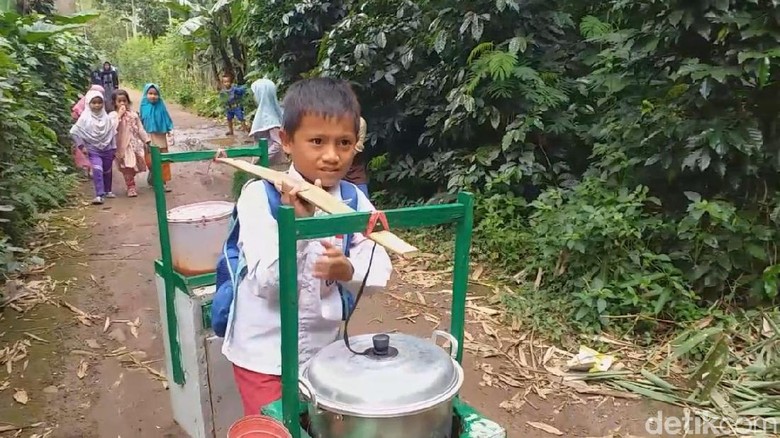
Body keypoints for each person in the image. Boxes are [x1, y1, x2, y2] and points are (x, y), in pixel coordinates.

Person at [221, 77, 393, 415]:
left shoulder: (353, 200)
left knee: (317, 424)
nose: (332, 156)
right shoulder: (260, 195)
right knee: (271, 428)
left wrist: (350, 269)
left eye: (344, 143)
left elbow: (380, 265)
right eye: (317, 141)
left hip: (324, 353)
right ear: (286, 141)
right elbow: (269, 285)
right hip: (263, 354)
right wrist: (297, 229)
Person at [70, 90, 120, 205]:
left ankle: (108, 190)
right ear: (88, 104)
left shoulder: (106, 118)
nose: (97, 105)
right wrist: (81, 146)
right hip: (93, 149)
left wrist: (114, 148)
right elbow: (74, 132)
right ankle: (99, 195)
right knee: (97, 169)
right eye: (94, 103)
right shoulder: (84, 119)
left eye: (99, 103)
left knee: (107, 170)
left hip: (107, 149)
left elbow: (111, 133)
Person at [112, 89, 151, 198]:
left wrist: (146, 140)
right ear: (114, 103)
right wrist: (119, 116)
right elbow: (111, 128)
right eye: (119, 101)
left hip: (134, 145)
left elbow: (140, 129)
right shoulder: (112, 116)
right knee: (127, 167)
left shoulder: (134, 115)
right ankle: (131, 186)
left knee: (135, 165)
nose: (122, 103)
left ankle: (131, 181)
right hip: (122, 146)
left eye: (124, 101)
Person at [139, 83, 174, 192]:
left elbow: (166, 118)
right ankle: (152, 178)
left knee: (163, 159)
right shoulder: (143, 106)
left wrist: (169, 130)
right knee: (150, 161)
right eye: (150, 93)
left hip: (160, 136)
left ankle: (162, 182)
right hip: (148, 136)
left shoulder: (161, 105)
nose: (153, 96)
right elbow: (140, 122)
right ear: (146, 94)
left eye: (155, 94)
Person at [71, 84, 106, 178]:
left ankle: (93, 169)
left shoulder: (99, 104)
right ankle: (85, 168)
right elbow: (75, 114)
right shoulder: (85, 102)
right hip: (84, 132)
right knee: (83, 151)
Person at [248, 77, 285, 165]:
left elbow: (278, 145)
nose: (254, 96)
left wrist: (261, 159)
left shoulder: (268, 117)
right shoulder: (267, 112)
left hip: (268, 164)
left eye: (255, 93)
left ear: (261, 94)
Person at [345, 117, 369, 197]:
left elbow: (359, 146)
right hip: (334, 172)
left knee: (364, 203)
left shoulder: (360, 122)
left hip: (355, 170)